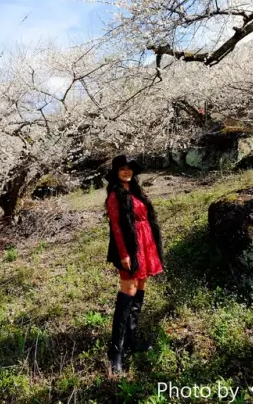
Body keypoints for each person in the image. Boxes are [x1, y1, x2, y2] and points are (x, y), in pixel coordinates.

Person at [104, 154, 165, 375]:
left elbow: (147, 219)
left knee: (140, 289)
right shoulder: (115, 195)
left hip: (146, 244)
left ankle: (131, 339)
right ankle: (116, 352)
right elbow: (117, 227)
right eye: (122, 169)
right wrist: (124, 254)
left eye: (129, 168)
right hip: (130, 248)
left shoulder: (136, 191)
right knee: (127, 293)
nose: (127, 172)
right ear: (115, 172)